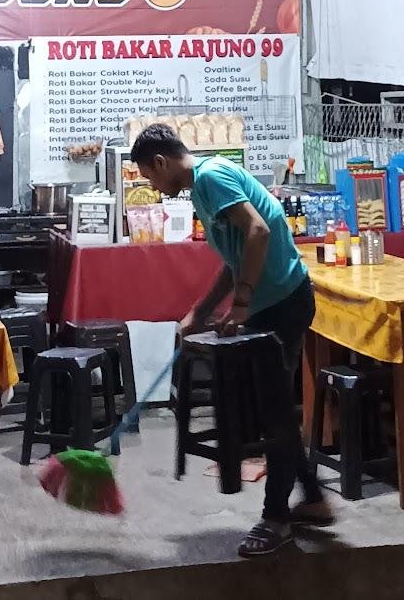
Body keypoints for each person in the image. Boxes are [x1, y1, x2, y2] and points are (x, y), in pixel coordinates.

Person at [130, 123, 334, 557]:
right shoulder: (205, 184)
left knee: (275, 415)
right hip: (273, 302)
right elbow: (236, 256)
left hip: (283, 302)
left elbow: (258, 232)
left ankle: (275, 518)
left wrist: (241, 305)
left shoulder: (209, 179)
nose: (152, 184)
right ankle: (313, 499)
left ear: (162, 162)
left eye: (150, 176)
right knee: (273, 407)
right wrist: (201, 313)